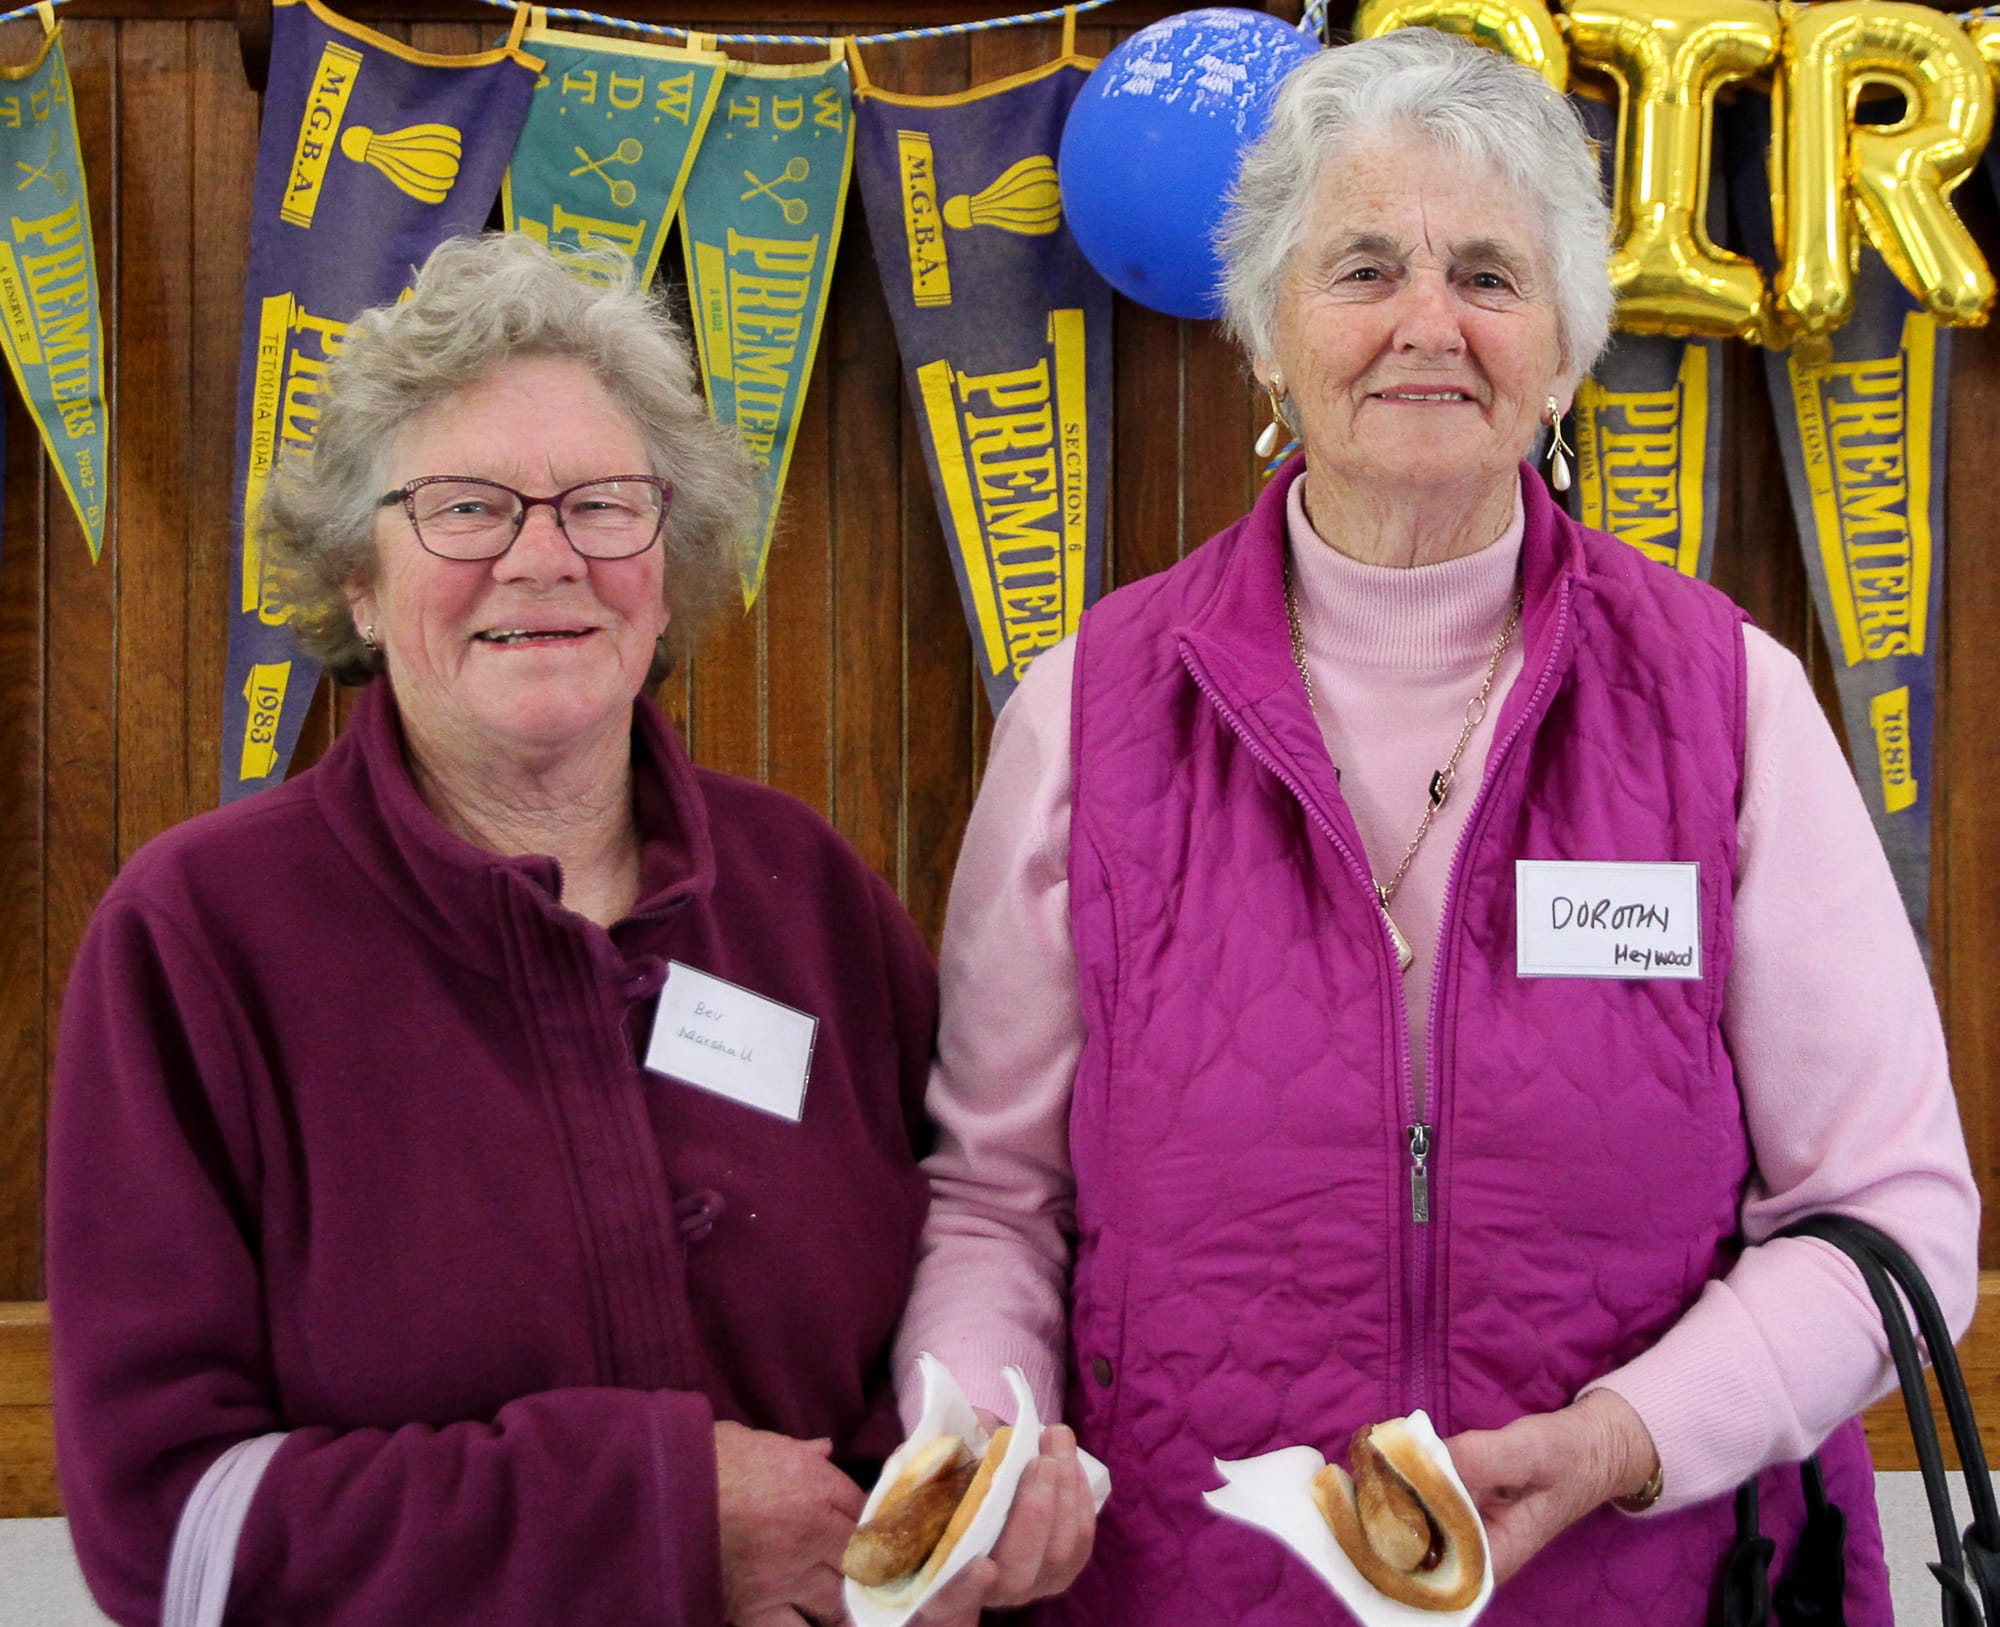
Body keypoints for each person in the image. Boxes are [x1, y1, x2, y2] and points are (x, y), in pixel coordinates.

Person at [892, 28, 1979, 1625]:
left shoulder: (1725, 701)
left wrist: (1624, 1440)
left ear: (1563, 343)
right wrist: (978, 1444)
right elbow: (997, 1202)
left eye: (1488, 272)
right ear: (1266, 333)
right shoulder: (1091, 708)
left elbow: (1893, 1212)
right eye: (1361, 269)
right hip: (1195, 1592)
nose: (1428, 325)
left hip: (1644, 1579)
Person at [47, 233, 1087, 1627]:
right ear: (357, 580)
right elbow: (164, 1527)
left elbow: (966, 1268)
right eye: (464, 508)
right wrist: (656, 1515)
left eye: (603, 505)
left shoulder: (807, 896)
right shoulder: (200, 940)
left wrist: (990, 1474)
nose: (543, 558)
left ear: (665, 568)